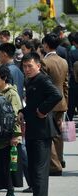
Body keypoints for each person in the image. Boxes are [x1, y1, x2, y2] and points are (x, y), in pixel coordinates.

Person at [17, 52, 62, 196]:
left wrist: (43, 110)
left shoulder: (42, 79)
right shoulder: (32, 81)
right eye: (25, 66)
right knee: (35, 169)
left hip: (42, 132)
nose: (27, 69)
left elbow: (56, 95)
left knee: (39, 171)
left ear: (38, 65)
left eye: (30, 66)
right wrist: (23, 111)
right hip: (33, 130)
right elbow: (33, 103)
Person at [0, 65, 24, 196]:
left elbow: (17, 116)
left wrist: (15, 135)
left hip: (9, 137)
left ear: (4, 78)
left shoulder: (11, 93)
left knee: (8, 167)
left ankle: (11, 194)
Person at [42, 33, 69, 176]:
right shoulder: (63, 61)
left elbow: (43, 85)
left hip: (49, 103)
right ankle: (59, 159)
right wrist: (66, 102)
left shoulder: (45, 62)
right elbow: (65, 84)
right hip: (61, 102)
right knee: (58, 134)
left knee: (49, 134)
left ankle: (54, 165)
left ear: (46, 45)